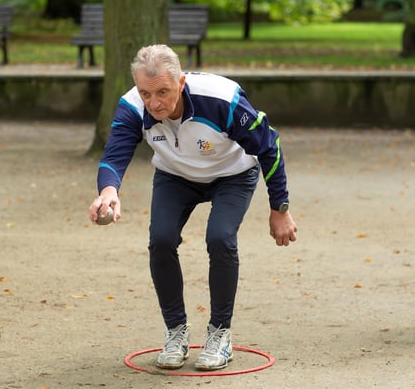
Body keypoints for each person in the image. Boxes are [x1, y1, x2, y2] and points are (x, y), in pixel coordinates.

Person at [88, 44, 298, 371]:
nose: (154, 103)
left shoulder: (221, 100)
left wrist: (280, 208)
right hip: (176, 176)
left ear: (181, 83)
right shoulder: (132, 106)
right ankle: (176, 332)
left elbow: (269, 146)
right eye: (146, 93)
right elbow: (114, 156)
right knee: (161, 239)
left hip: (232, 174)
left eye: (163, 92)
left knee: (220, 238)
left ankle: (220, 335)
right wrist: (108, 191)